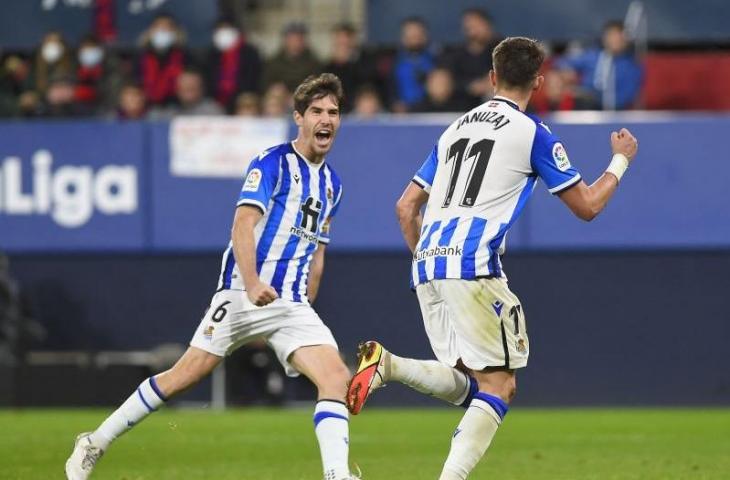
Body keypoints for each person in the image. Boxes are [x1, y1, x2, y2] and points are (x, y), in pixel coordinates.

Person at [347, 37, 639, 480]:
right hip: (472, 263)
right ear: (539, 82)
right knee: (501, 385)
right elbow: (587, 206)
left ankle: (388, 365)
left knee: (471, 382)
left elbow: (405, 206)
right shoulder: (532, 133)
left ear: (491, 77)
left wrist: (429, 258)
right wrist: (619, 161)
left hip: (427, 261)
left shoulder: (454, 130)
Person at [65, 73, 358, 480]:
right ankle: (95, 441)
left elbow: (318, 251)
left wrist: (308, 300)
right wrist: (253, 282)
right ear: (299, 118)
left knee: (336, 377)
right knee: (184, 376)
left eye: (333, 112)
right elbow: (242, 225)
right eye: (316, 112)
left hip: (290, 304)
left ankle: (336, 475)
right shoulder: (271, 163)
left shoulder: (333, 185)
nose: (326, 119)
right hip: (241, 293)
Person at [557, 20, 643, 110]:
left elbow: (624, 98)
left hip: (612, 113)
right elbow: (562, 62)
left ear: (625, 40)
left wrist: (592, 96)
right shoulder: (593, 56)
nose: (614, 40)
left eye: (617, 36)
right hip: (583, 109)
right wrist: (567, 72)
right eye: (610, 35)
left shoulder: (632, 67)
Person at [440, 8, 501, 109]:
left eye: (478, 25)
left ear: (488, 25)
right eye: (469, 26)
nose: (473, 31)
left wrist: (493, 83)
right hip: (461, 107)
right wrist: (471, 87)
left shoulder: (504, 50)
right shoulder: (454, 55)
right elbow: (446, 81)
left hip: (497, 107)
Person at [205, 18, 262, 113]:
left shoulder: (249, 53)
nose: (223, 32)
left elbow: (253, 79)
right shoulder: (211, 55)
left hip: (242, 102)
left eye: (227, 28)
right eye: (220, 29)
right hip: (216, 102)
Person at [136, 13, 190, 106]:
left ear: (175, 32)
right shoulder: (139, 58)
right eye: (159, 27)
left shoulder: (186, 57)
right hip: (145, 109)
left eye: (167, 28)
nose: (162, 31)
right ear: (150, 31)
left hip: (179, 107)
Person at [322, 23, 378, 112]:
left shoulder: (365, 59)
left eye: (346, 40)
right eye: (339, 40)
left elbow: (369, 82)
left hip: (360, 108)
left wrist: (350, 62)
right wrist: (338, 64)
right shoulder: (328, 66)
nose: (343, 43)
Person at [262, 22, 321, 93]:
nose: (295, 43)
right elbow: (265, 85)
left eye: (298, 39)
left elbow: (317, 85)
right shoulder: (273, 63)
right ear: (285, 40)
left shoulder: (314, 63)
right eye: (292, 39)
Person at [391, 17, 436, 111]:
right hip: (400, 114)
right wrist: (394, 104)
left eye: (417, 34)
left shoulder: (437, 59)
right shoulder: (393, 61)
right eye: (410, 34)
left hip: (430, 111)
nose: (414, 37)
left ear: (425, 35)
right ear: (403, 37)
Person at [148, 69, 224, 118]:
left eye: (192, 87)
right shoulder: (170, 110)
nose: (188, 91)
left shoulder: (213, 110)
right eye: (184, 87)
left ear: (201, 89)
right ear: (177, 90)